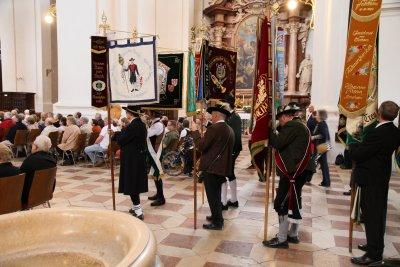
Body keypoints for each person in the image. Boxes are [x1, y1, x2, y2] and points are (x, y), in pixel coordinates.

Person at [349, 101, 400, 265]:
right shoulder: (394, 131)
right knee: (376, 215)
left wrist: (352, 146)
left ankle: (374, 254)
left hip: (371, 179)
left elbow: (361, 154)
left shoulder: (378, 133)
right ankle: (375, 245)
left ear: (379, 112)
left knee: (372, 217)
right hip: (380, 178)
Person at [263, 105, 312, 248]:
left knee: (281, 202)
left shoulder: (292, 126)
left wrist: (269, 129)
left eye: (280, 119)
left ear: (285, 117)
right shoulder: (299, 125)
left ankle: (282, 239)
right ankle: (293, 234)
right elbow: (284, 135)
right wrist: (276, 126)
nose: (280, 123)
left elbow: (278, 142)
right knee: (294, 199)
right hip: (301, 170)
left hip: (293, 171)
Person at [195, 103, 234, 230]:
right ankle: (216, 216)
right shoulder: (229, 129)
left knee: (213, 195)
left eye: (212, 115)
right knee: (216, 194)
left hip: (212, 168)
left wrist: (199, 133)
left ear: (216, 116)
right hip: (222, 168)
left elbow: (201, 146)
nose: (211, 117)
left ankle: (217, 222)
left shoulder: (214, 129)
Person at [115, 106, 148, 220]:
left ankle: (138, 210)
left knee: (132, 183)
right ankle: (135, 207)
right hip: (137, 158)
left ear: (130, 114)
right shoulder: (140, 124)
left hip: (132, 159)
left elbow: (122, 140)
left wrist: (115, 135)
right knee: (134, 182)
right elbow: (128, 137)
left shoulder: (134, 125)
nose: (126, 114)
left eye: (126, 112)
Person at [19, 135, 57, 204]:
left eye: (33, 144)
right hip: (46, 193)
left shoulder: (30, 160)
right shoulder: (52, 160)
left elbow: (20, 177)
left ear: (36, 147)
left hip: (28, 196)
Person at [221, 94, 242, 210]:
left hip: (231, 150)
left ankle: (224, 202)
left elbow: (235, 136)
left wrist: (232, 152)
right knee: (229, 173)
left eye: (224, 104)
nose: (223, 106)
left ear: (229, 104)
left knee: (225, 173)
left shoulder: (235, 117)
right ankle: (233, 200)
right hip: (229, 150)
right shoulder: (230, 116)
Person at [146, 110, 166, 206]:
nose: (147, 115)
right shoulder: (155, 123)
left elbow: (147, 134)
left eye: (149, 113)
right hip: (154, 151)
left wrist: (144, 123)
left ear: (153, 114)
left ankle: (161, 198)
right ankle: (159, 194)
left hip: (156, 152)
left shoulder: (157, 125)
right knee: (155, 174)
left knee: (157, 173)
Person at [312, 109, 331, 187]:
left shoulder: (321, 124)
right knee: (322, 164)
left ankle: (326, 182)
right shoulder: (322, 123)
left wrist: (313, 137)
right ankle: (325, 182)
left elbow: (323, 135)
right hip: (323, 146)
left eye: (317, 114)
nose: (316, 116)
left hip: (322, 146)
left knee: (319, 163)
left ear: (320, 116)